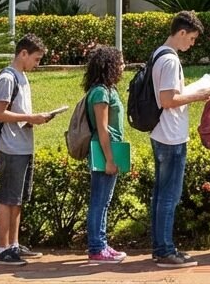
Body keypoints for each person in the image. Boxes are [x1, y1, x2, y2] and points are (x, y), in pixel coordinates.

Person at [149, 12, 210, 268]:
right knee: (169, 195)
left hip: (161, 132)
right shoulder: (170, 60)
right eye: (192, 38)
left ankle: (160, 246)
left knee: (161, 194)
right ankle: (165, 250)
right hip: (171, 134)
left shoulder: (158, 54)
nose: (192, 43)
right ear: (181, 33)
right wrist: (197, 95)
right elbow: (167, 100)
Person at [0, 35, 50, 266]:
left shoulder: (21, 76)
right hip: (11, 146)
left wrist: (34, 119)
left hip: (23, 145)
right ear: (23, 53)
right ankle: (4, 248)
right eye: (35, 59)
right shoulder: (7, 77)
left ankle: (14, 244)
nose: (37, 64)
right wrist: (30, 118)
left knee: (17, 199)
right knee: (8, 198)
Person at [82, 45, 129, 264]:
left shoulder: (108, 90)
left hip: (112, 149)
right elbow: (102, 130)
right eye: (119, 63)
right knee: (99, 201)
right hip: (103, 151)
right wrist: (109, 159)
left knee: (104, 200)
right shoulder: (100, 92)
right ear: (109, 65)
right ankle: (96, 247)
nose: (123, 66)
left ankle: (101, 244)